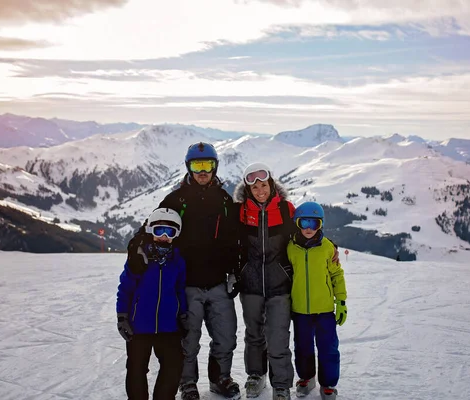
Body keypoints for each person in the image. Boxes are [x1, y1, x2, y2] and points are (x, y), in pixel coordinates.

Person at [126, 142, 240, 400]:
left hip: (218, 282)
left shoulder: (224, 200)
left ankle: (220, 378)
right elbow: (151, 227)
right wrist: (136, 249)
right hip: (187, 283)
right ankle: (187, 383)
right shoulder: (176, 200)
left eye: (207, 165)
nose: (202, 171)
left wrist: (235, 270)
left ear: (215, 167)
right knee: (188, 339)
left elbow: (236, 238)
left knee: (226, 336)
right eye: (197, 165)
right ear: (189, 167)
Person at [232, 162, 296, 400]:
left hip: (280, 283)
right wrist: (235, 272)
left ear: (271, 185)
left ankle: (281, 384)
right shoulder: (240, 212)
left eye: (264, 185)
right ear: (248, 190)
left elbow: (303, 237)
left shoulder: (286, 210)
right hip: (250, 284)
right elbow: (232, 245)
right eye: (255, 187)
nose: (260, 191)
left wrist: (329, 249)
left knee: (278, 335)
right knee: (254, 334)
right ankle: (256, 375)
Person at [116, 207, 187, 400]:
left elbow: (180, 290)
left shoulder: (177, 261)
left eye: (170, 232)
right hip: (139, 325)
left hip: (169, 326)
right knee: (136, 368)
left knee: (173, 366)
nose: (164, 236)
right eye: (159, 231)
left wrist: (183, 314)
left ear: (176, 234)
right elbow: (125, 288)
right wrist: (122, 316)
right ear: (150, 231)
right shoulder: (139, 258)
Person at [287, 202, 347, 400]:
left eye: (314, 223)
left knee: (328, 348)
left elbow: (337, 275)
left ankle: (328, 383)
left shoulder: (327, 247)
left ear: (320, 225)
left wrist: (341, 301)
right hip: (300, 310)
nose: (309, 228)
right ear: (297, 223)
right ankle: (306, 377)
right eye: (304, 222)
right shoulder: (290, 248)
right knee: (302, 346)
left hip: (324, 309)